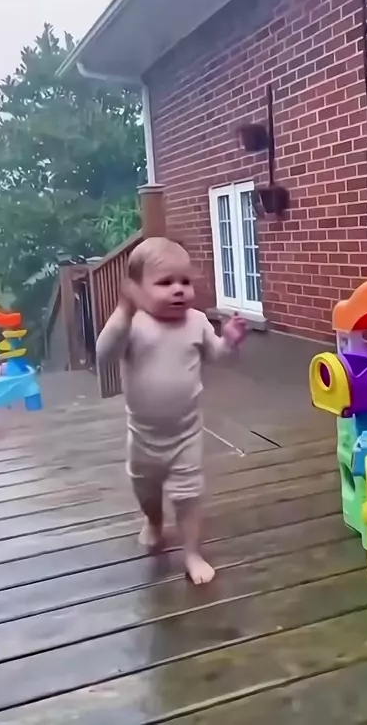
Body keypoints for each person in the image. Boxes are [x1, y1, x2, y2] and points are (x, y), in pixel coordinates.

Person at [96, 237, 247, 584]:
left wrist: (229, 342)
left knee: (188, 495)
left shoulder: (196, 322)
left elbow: (219, 356)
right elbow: (104, 353)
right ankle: (153, 521)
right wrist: (123, 312)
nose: (178, 289)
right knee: (146, 491)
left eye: (185, 281)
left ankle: (192, 553)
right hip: (143, 435)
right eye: (165, 282)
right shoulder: (133, 324)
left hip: (186, 432)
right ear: (136, 289)